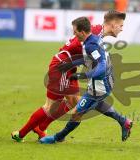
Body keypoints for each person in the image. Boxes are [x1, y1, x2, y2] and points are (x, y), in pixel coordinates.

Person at [12, 10, 132, 143]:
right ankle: (23, 134)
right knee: (54, 105)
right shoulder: (92, 36)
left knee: (79, 103)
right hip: (62, 66)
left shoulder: (95, 33)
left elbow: (88, 56)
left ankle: (44, 129)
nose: (122, 28)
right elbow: (87, 54)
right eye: (121, 25)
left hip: (69, 66)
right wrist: (87, 72)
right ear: (113, 24)